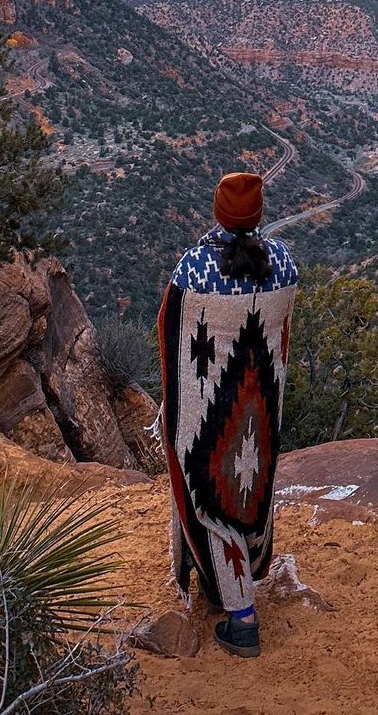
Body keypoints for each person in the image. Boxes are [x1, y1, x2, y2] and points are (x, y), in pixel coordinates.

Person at [158, 170, 298, 658]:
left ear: (218, 212)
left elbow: (172, 336)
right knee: (246, 491)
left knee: (207, 497)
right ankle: (228, 579)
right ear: (259, 214)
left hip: (209, 416)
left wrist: (181, 410)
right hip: (259, 414)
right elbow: (277, 335)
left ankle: (242, 618)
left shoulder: (194, 268)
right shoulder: (282, 262)